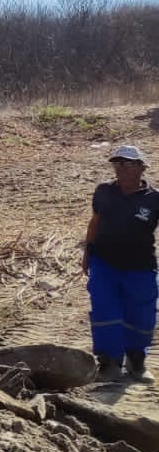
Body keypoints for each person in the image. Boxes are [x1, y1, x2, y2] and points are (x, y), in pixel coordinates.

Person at [82, 145, 159, 382]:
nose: (121, 169)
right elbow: (94, 222)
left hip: (141, 266)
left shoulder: (155, 199)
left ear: (141, 167)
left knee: (141, 314)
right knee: (106, 311)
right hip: (104, 262)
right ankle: (109, 363)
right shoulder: (104, 191)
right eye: (117, 164)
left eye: (127, 163)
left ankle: (136, 362)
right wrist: (87, 252)